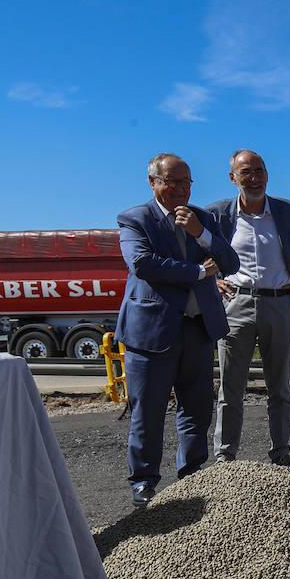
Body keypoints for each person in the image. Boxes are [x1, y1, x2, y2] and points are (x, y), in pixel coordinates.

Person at [115, 153, 240, 508]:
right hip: (152, 333)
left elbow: (230, 262)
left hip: (197, 328)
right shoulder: (135, 219)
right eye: (173, 182)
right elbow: (142, 264)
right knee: (148, 411)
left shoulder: (202, 218)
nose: (182, 189)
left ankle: (193, 476)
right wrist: (198, 272)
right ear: (153, 182)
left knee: (196, 409)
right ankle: (144, 483)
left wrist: (200, 234)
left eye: (187, 182)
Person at [208, 149, 290, 468]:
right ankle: (225, 458)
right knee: (230, 388)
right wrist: (210, 280)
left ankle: (281, 454)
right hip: (235, 304)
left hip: (281, 303)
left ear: (267, 174)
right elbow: (193, 249)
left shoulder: (289, 211)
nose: (254, 177)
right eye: (246, 172)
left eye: (259, 170)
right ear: (233, 178)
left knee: (280, 386)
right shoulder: (217, 214)